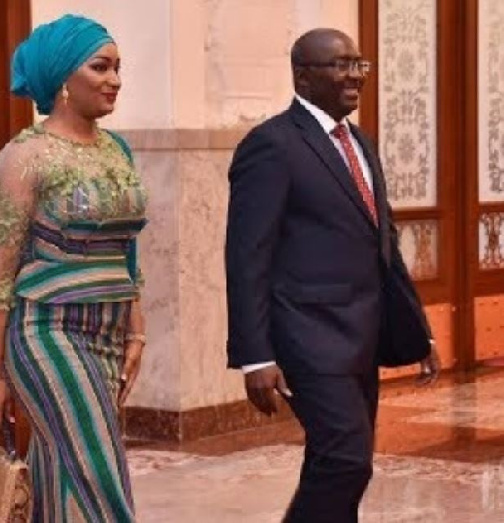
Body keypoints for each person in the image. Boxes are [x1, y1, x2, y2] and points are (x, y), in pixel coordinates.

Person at [225, 28, 440, 523]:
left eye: (358, 65)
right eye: (339, 65)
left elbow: (385, 245)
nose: (354, 76)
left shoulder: (361, 143)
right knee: (346, 460)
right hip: (306, 334)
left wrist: (418, 329)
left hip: (362, 335)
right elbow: (246, 256)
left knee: (334, 462)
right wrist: (255, 355)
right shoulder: (271, 145)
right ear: (303, 75)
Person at [0, 14, 147, 523]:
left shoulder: (118, 149)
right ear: (64, 78)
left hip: (108, 334)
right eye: (100, 67)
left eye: (117, 68)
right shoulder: (23, 158)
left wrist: (137, 330)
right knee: (98, 472)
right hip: (48, 332)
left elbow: (129, 252)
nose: (114, 79)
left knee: (61, 472)